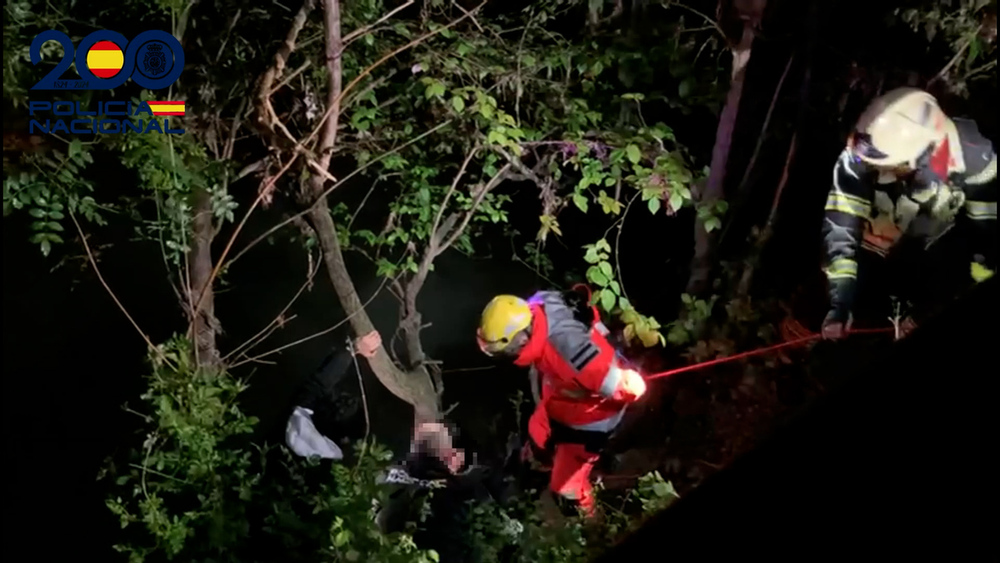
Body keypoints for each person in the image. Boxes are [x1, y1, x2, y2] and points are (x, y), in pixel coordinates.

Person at [820, 87, 996, 341]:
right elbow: (841, 225)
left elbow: (985, 241)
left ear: (922, 156)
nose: (872, 168)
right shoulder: (861, 151)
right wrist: (841, 300)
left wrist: (932, 309)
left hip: (931, 259)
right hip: (869, 254)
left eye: (890, 166)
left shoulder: (977, 161)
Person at [475, 286, 648, 518]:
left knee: (566, 490)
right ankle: (536, 464)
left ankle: (589, 524)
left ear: (522, 337)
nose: (507, 354)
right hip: (560, 398)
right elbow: (579, 297)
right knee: (537, 434)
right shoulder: (539, 303)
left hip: (589, 422)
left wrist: (629, 381)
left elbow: (625, 387)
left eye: (505, 349)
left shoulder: (570, 354)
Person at [375, 422, 522, 562]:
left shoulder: (384, 479)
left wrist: (462, 481)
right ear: (446, 457)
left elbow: (426, 481)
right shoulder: (452, 499)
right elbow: (508, 534)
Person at [285, 330, 381, 460]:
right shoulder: (340, 452)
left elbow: (318, 385)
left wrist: (353, 349)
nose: (342, 406)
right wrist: (353, 350)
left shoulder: (302, 423)